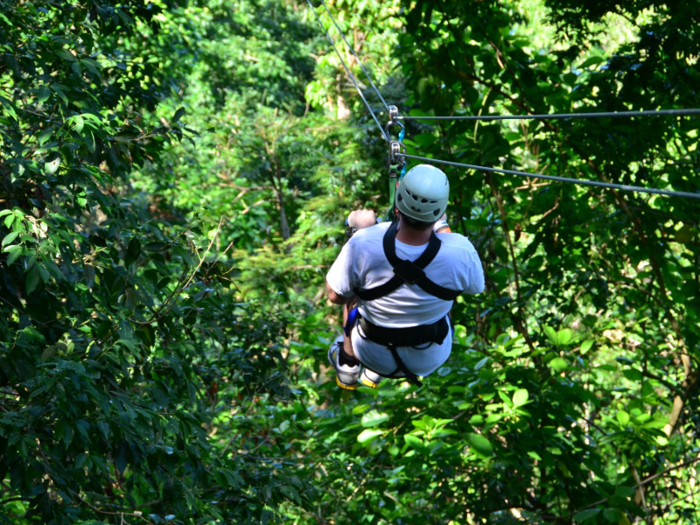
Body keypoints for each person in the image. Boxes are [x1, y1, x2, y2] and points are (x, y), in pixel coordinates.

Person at [325, 164, 485, 390]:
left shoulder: (363, 243)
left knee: (352, 289)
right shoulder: (461, 252)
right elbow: (475, 287)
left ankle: (348, 363)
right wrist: (443, 226)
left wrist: (356, 233)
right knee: (447, 285)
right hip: (430, 356)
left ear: (398, 202)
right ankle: (370, 369)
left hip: (372, 352)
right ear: (440, 212)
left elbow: (334, 295)